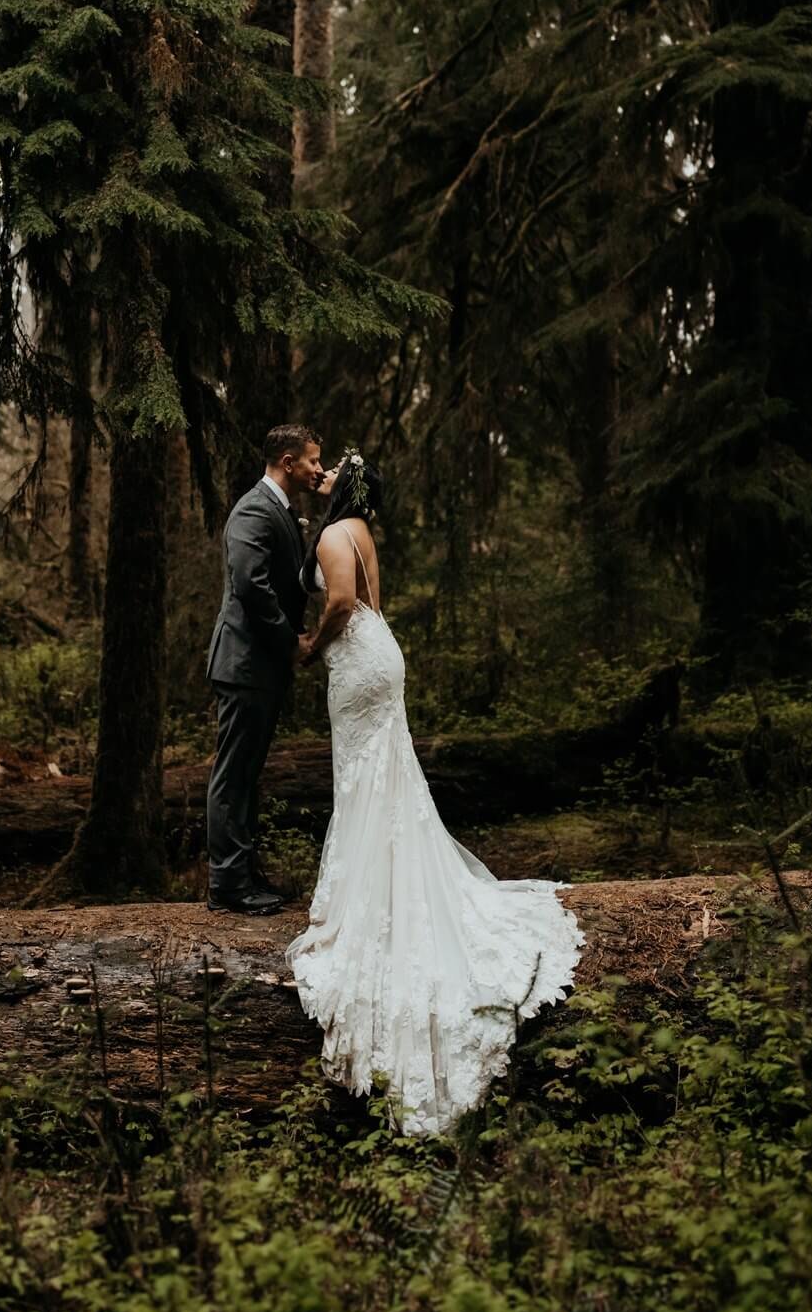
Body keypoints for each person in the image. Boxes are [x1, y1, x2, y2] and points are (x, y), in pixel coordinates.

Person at [286, 450, 584, 1135]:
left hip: (357, 659)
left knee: (364, 779)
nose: (323, 474)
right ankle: (380, 880)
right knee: (383, 780)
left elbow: (338, 603)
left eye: (332, 471)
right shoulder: (362, 532)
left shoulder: (334, 535)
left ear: (346, 488)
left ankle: (366, 900)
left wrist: (310, 647)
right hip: (379, 652)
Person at [204, 424, 325, 914]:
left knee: (247, 773)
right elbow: (250, 586)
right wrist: (290, 641)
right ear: (288, 461)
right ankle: (228, 886)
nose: (319, 469)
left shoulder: (281, 509)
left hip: (260, 665)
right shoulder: (255, 508)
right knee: (233, 775)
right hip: (245, 661)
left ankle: (243, 872)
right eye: (314, 460)